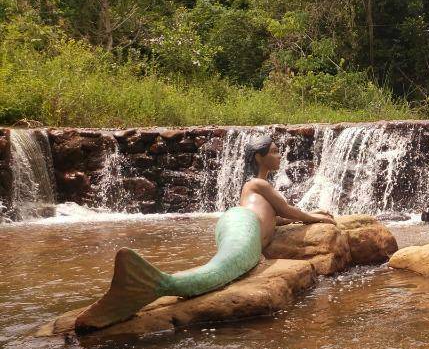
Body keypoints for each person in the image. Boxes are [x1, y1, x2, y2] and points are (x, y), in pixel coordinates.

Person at [75, 134, 333, 332]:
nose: (279, 157)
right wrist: (316, 217)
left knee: (220, 267)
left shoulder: (255, 186)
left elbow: (275, 216)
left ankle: (150, 284)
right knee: (221, 270)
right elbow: (287, 210)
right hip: (243, 227)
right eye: (274, 152)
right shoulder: (258, 183)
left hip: (238, 225)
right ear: (259, 157)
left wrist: (283, 223)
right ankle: (153, 284)